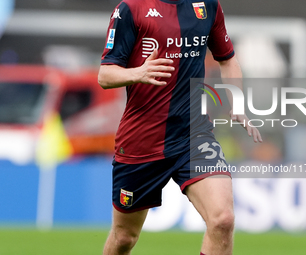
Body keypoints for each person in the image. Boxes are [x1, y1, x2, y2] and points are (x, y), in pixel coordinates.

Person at [98, 0, 262, 254]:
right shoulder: (131, 8)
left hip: (193, 135)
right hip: (141, 142)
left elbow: (228, 59)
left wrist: (237, 103)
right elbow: (105, 75)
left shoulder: (207, 6)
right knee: (124, 238)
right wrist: (138, 73)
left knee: (222, 220)